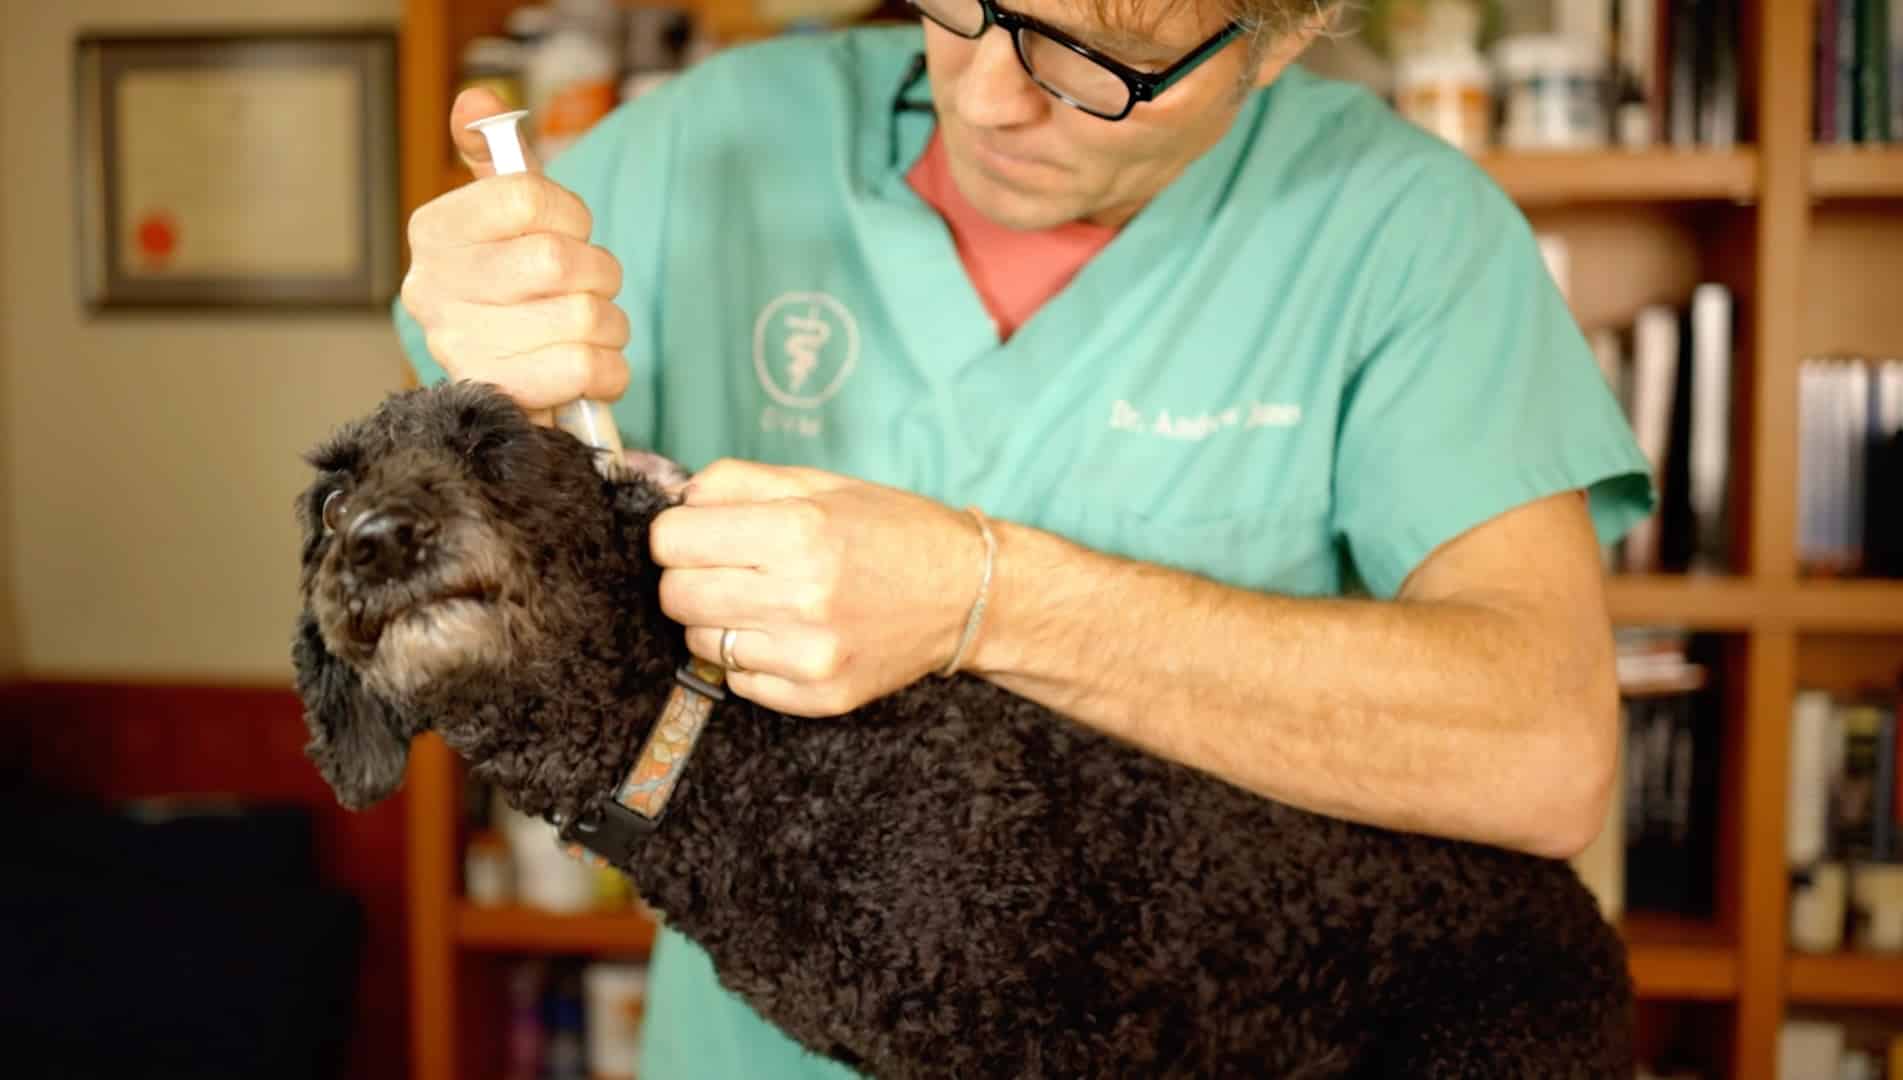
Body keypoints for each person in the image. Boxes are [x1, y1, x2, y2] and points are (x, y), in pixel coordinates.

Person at [391, 0, 1655, 1073]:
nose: (992, 97)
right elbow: (477, 520)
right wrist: (480, 338)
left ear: (1279, 39)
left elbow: (1543, 752)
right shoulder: (708, 144)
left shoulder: (1403, 231)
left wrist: (988, 598)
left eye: (1098, 59)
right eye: (968, 4)